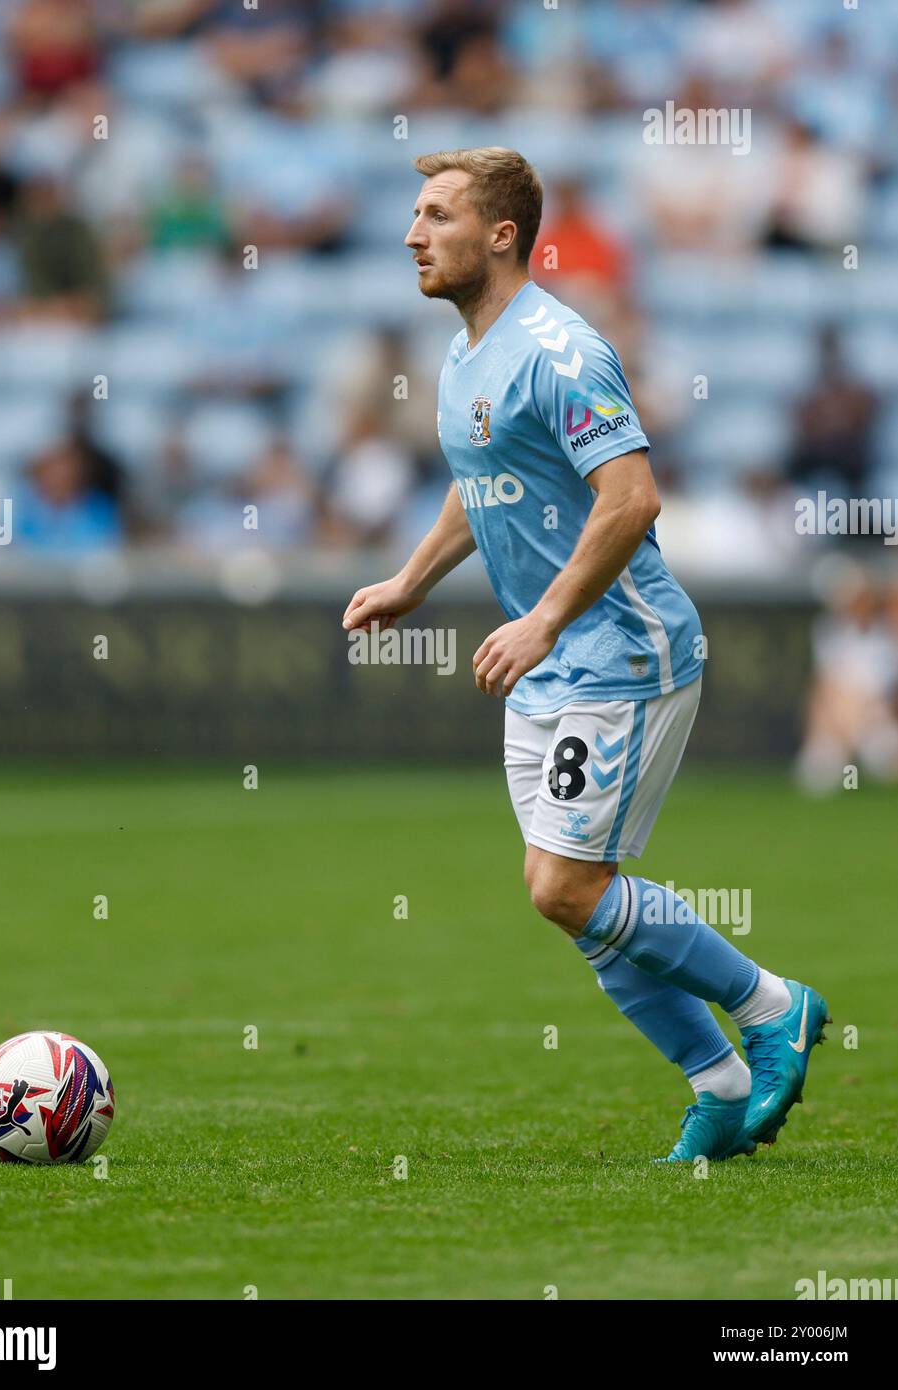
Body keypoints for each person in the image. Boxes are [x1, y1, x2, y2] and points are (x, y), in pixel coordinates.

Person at [343, 146, 829, 1162]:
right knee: (571, 895)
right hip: (552, 662)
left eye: (436, 215)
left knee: (566, 888)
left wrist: (546, 618)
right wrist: (410, 581)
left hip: (623, 647)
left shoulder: (561, 351)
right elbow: (482, 481)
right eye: (415, 215)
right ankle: (720, 1082)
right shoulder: (467, 352)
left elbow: (632, 498)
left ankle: (773, 1004)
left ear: (502, 234)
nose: (412, 234)